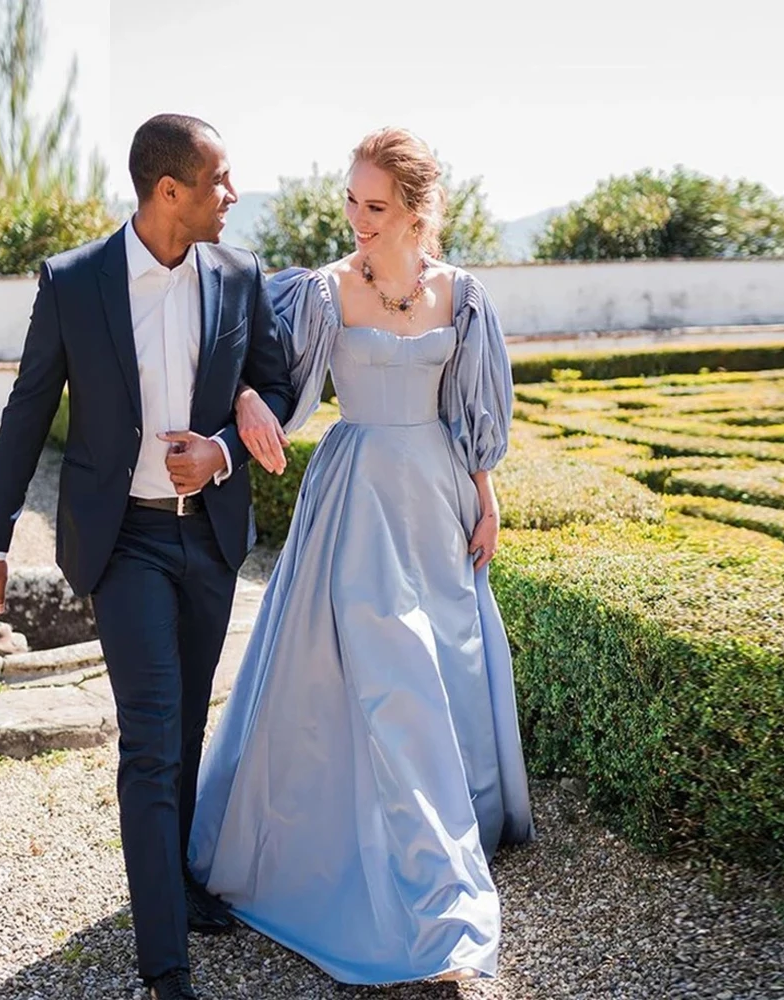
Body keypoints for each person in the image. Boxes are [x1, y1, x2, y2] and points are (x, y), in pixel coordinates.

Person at [188, 126, 536, 986]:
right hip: (355, 499)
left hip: (437, 495)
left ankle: (457, 824)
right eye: (350, 199)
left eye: (374, 206)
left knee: (444, 658)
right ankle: (421, 889)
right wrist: (245, 402)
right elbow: (235, 348)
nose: (356, 218)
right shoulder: (321, 291)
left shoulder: (464, 295)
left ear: (418, 212)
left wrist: (485, 498)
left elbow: (468, 410)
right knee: (389, 672)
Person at [0, 114, 294, 1000]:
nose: (234, 195)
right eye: (220, 180)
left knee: (184, 725)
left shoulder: (239, 272)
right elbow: (28, 410)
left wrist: (225, 445)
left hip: (211, 537)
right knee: (150, 738)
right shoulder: (75, 282)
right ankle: (165, 968)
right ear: (169, 192)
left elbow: (280, 380)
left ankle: (177, 885)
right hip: (124, 542)